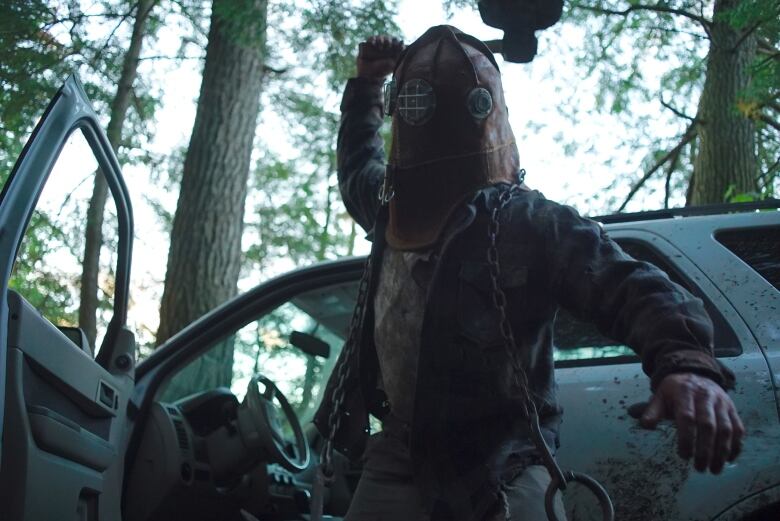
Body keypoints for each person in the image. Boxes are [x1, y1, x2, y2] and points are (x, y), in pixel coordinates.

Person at [314, 25, 744, 521]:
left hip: (501, 465)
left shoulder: (531, 223)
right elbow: (356, 166)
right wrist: (367, 84)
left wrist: (688, 364)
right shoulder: (389, 206)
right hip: (397, 455)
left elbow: (626, 284)